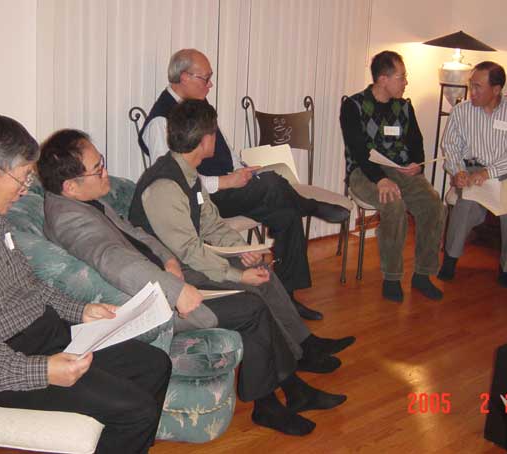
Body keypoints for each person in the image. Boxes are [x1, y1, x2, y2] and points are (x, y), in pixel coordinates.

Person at [37, 128, 347, 436]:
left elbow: (136, 234)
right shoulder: (70, 220)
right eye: (98, 168)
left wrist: (168, 260)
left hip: (163, 277)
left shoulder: (84, 201)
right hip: (152, 305)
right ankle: (270, 405)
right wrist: (176, 291)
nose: (105, 171)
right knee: (251, 308)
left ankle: (292, 390)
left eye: (101, 161)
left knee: (254, 297)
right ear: (70, 186)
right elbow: (115, 260)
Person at [0, 114, 171, 454]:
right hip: (3, 364)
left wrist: (80, 310)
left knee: (155, 365)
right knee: (136, 412)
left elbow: (28, 285)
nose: (25, 188)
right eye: (22, 177)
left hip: (43, 334)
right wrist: (42, 372)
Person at [130, 99, 357, 374]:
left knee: (260, 270)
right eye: (214, 132)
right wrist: (238, 275)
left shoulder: (188, 174)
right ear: (205, 140)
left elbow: (212, 224)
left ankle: (306, 344)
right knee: (253, 285)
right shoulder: (165, 186)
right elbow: (189, 251)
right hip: (172, 275)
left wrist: (243, 250)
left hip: (190, 259)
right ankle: (295, 357)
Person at [139, 48, 350, 321]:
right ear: (184, 77)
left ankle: (287, 296)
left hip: (228, 189)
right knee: (273, 183)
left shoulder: (199, 108)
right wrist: (226, 181)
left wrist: (242, 170)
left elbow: (227, 151)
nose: (211, 85)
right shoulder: (161, 122)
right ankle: (309, 205)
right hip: (203, 200)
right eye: (206, 78)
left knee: (285, 211)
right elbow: (173, 179)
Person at [340, 50, 444, 303]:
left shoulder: (404, 106)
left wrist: (416, 164)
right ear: (383, 79)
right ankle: (392, 277)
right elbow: (358, 151)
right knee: (393, 204)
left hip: (399, 170)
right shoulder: (353, 106)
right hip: (364, 172)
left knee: (434, 204)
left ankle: (423, 274)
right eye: (401, 77)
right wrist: (381, 179)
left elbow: (416, 142)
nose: (406, 82)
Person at [439, 61, 507, 287]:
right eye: (471, 85)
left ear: (496, 89)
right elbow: (450, 147)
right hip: (471, 170)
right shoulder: (461, 111)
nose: (472, 92)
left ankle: (506, 268)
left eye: (478, 87)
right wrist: (457, 171)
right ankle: (450, 260)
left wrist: (488, 172)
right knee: (465, 205)